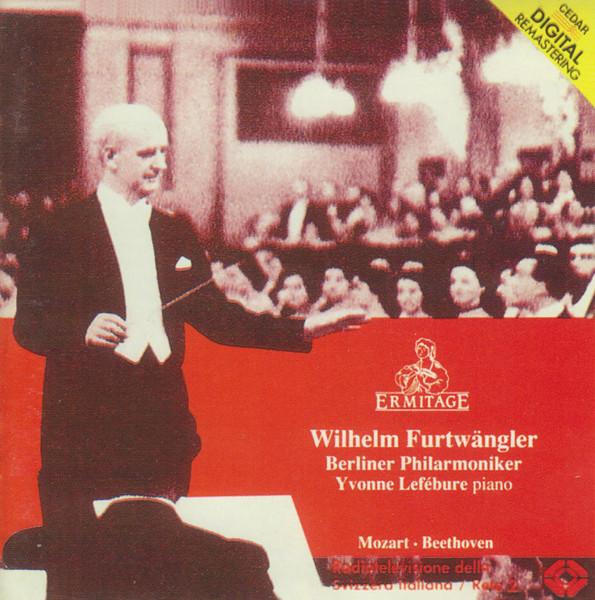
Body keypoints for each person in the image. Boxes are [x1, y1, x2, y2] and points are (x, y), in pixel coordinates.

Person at [11, 104, 364, 580]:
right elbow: (29, 324)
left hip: (163, 429)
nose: (160, 164)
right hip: (84, 429)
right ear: (109, 156)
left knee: (163, 572)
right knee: (83, 573)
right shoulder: (58, 230)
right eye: (147, 153)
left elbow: (217, 317)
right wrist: (80, 330)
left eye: (164, 152)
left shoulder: (175, 231)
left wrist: (303, 329)